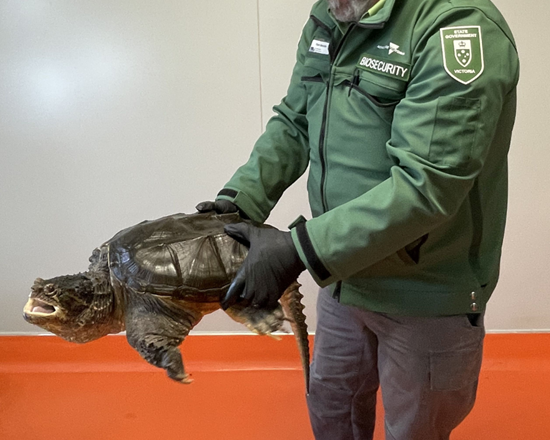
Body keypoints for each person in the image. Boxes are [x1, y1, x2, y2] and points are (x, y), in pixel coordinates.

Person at [197, 0, 519, 438]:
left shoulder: (454, 26)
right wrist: (240, 200)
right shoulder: (331, 14)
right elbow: (296, 121)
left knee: (415, 430)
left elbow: (427, 186)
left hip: (425, 292)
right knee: (332, 413)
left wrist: (297, 250)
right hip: (342, 279)